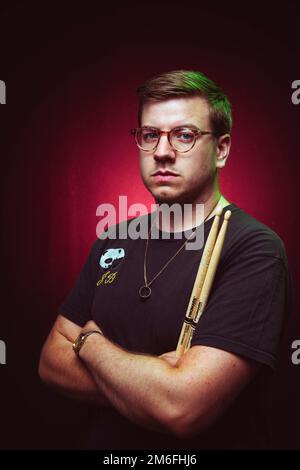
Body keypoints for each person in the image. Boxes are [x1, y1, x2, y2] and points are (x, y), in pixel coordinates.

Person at [39, 70, 292, 449]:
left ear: (221, 149)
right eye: (150, 135)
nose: (162, 151)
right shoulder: (114, 239)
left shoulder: (255, 249)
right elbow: (49, 363)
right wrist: (154, 384)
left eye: (185, 135)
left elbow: (181, 408)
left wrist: (90, 341)